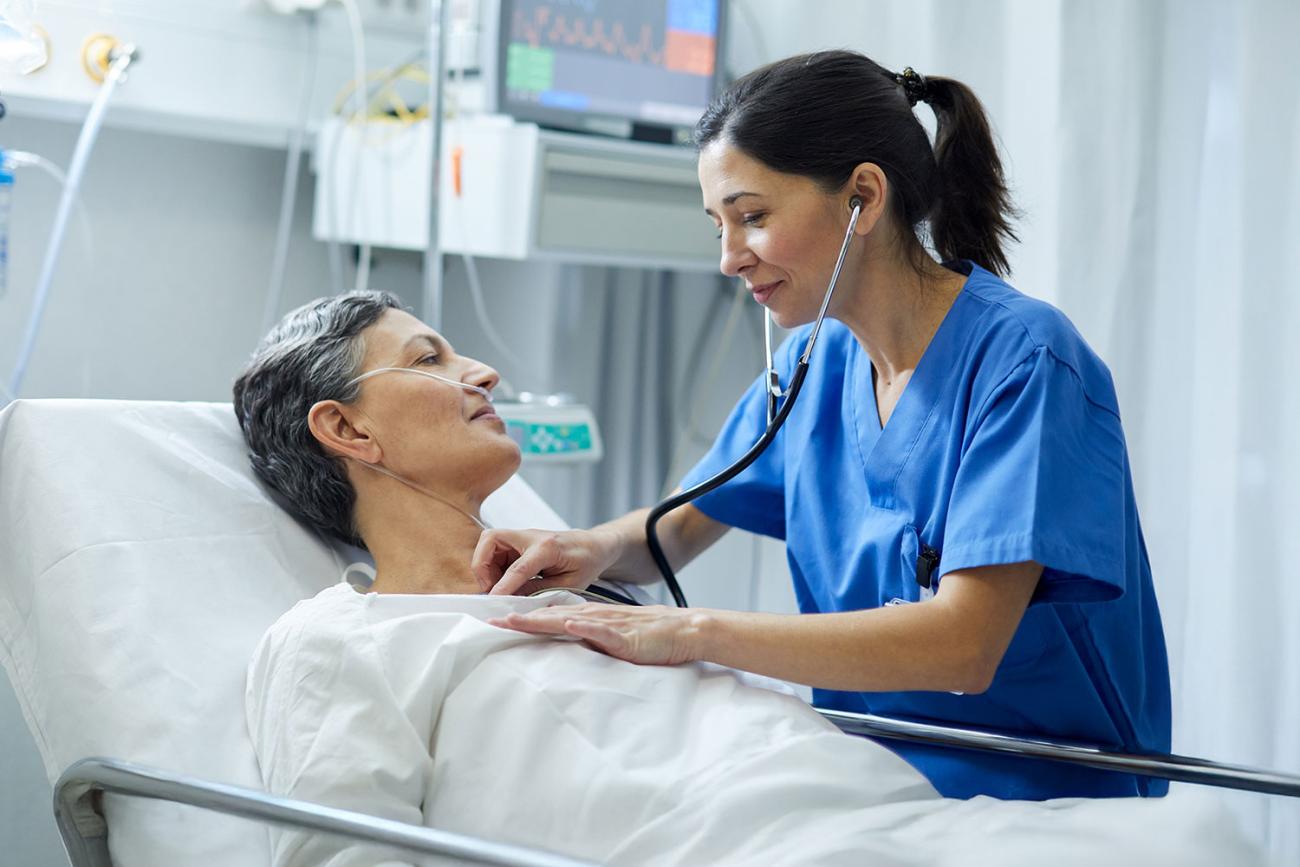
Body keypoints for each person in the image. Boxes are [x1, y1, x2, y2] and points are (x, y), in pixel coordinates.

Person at [474, 50, 1172, 802]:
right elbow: (675, 529)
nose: (728, 258)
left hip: (1038, 789)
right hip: (870, 777)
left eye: (752, 217)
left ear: (862, 199)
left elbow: (964, 645)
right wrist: (585, 547)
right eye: (718, 225)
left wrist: (694, 632)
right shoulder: (816, 362)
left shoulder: (1025, 362)